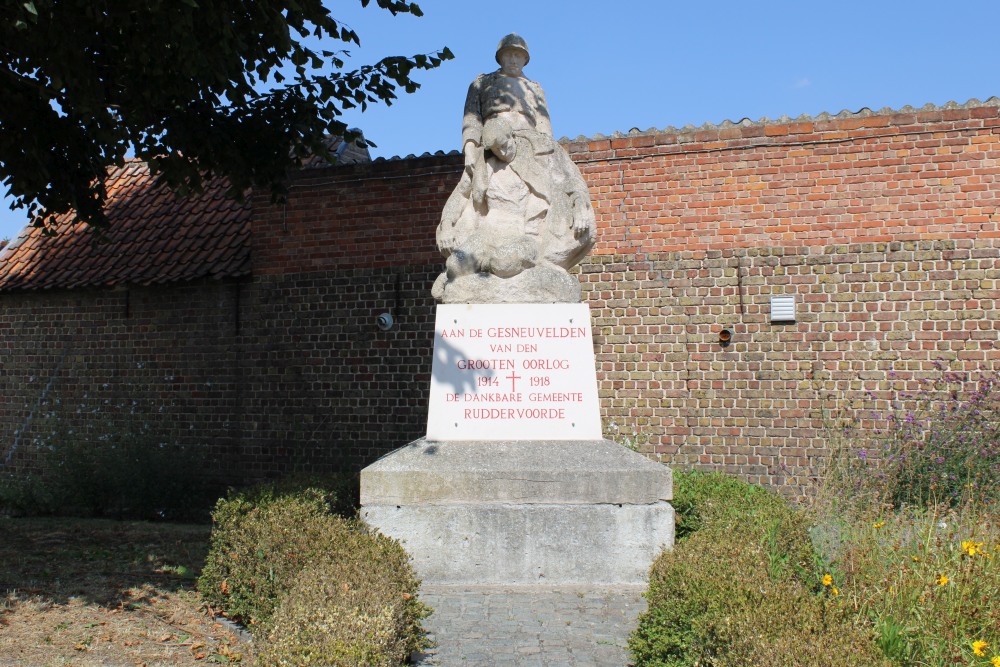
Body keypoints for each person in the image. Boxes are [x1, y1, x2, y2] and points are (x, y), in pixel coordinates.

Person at [433, 34, 596, 302]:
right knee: (458, 264)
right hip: (490, 143)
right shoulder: (483, 83)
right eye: (508, 54)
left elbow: (544, 126)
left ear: (525, 58)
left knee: (507, 260)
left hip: (530, 146)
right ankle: (467, 276)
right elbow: (472, 119)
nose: (513, 59)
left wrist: (547, 151)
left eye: (518, 55)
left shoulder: (534, 89)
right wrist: (471, 149)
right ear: (500, 57)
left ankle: (516, 266)